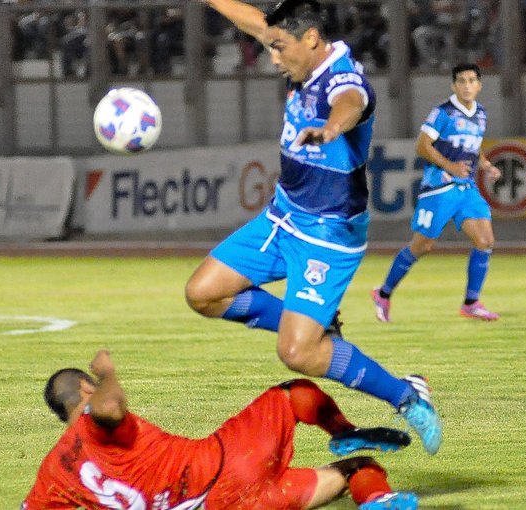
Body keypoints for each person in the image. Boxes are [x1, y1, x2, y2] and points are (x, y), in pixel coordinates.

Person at [184, 0, 442, 455]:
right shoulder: (295, 48)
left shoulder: (342, 78)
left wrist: (330, 129)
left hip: (328, 234)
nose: (274, 58)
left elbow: (352, 102)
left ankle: (406, 395)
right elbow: (254, 23)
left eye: (280, 49)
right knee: (203, 293)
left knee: (298, 353)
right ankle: (315, 320)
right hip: (282, 216)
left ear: (311, 39)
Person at [22, 350, 420, 510]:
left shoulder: (54, 470)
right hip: (226, 467)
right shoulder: (94, 414)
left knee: (338, 472)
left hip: (221, 506)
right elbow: (108, 407)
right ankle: (347, 441)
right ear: (84, 391)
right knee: (293, 394)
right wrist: (106, 372)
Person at [371, 63, 502, 323]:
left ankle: (471, 303)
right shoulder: (443, 112)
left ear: (479, 85)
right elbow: (422, 145)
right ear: (454, 85)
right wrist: (450, 166)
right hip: (439, 188)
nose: (467, 85)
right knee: (423, 245)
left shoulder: (481, 114)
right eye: (461, 81)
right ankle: (383, 293)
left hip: (466, 189)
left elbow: (474, 146)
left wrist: (485, 165)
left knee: (485, 241)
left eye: (472, 80)